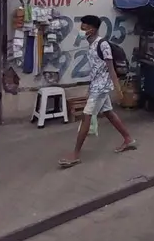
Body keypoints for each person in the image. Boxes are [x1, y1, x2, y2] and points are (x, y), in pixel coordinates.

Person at [59, 15, 137, 168]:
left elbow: (110, 68)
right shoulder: (92, 44)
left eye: (84, 27)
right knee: (109, 113)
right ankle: (129, 140)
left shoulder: (102, 45)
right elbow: (96, 69)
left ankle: (75, 154)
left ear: (92, 29)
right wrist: (91, 86)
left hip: (101, 88)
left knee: (86, 116)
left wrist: (118, 89)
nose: (81, 30)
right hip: (96, 86)